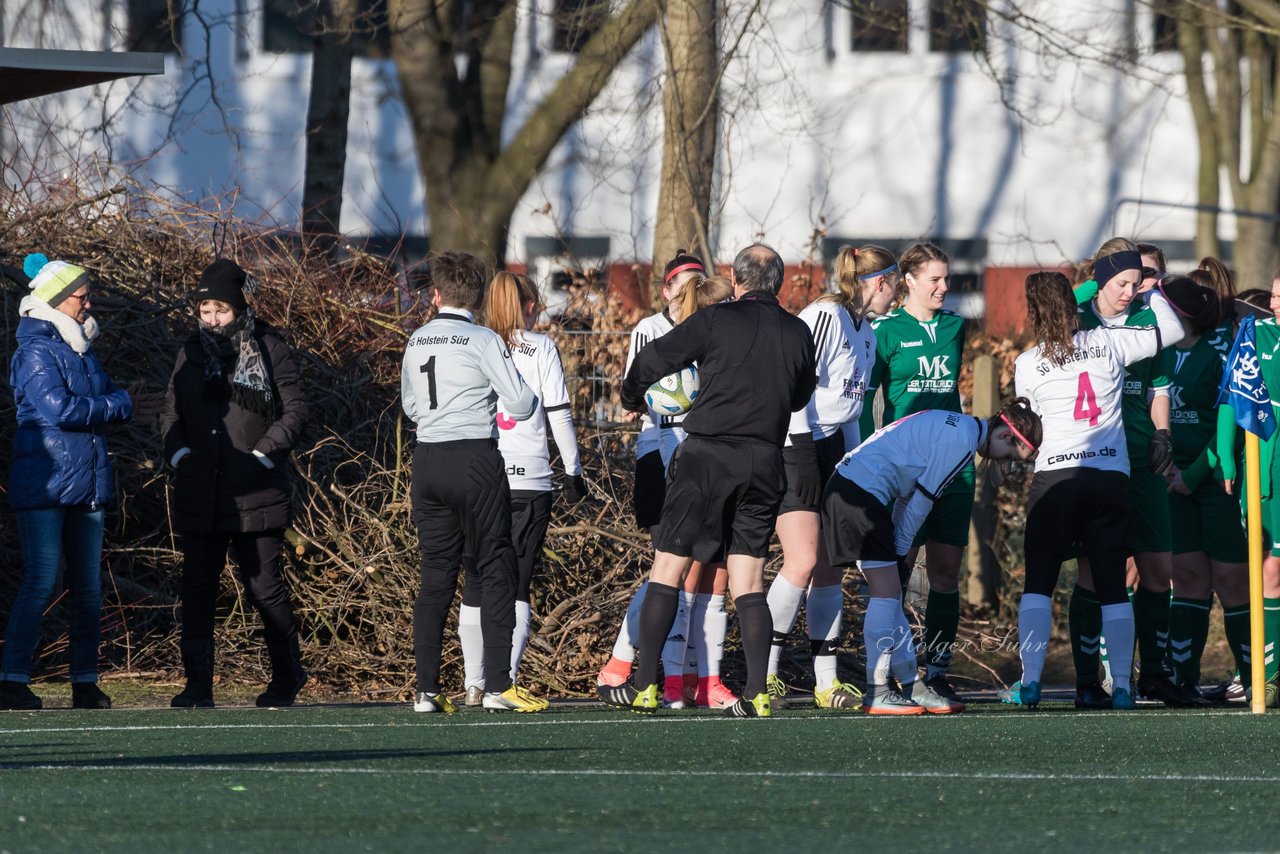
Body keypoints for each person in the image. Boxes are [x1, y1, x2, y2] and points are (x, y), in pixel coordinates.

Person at [599, 243, 816, 717]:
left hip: (706, 457)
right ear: (777, 284)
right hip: (764, 461)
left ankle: (646, 686)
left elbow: (652, 359)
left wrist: (633, 395)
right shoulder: (800, 332)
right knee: (749, 580)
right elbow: (800, 397)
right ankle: (757, 693)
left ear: (736, 281)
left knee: (668, 569)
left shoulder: (716, 319)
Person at [1005, 263, 1190, 710]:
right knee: (1111, 584)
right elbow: (1170, 331)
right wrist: (1155, 291)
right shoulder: (1107, 342)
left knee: (1039, 584)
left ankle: (1029, 683)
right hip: (1109, 478)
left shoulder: (1027, 363)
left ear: (1034, 314)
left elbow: (1029, 437)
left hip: (1057, 478)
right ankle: (1123, 687)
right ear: (1075, 306)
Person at [400, 251, 547, 714]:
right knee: (497, 565)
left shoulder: (417, 339)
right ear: (480, 297)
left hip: (427, 462)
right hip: (474, 460)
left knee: (436, 574)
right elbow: (522, 403)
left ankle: (426, 691)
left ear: (437, 295)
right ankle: (500, 685)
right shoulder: (483, 338)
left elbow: (409, 406)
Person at [824, 401, 1041, 713]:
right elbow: (920, 505)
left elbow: (908, 497)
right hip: (857, 496)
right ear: (1006, 435)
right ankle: (877, 690)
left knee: (890, 590)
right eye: (1009, 455)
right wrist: (900, 552)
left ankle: (912, 685)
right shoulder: (962, 443)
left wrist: (898, 550)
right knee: (886, 594)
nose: (1004, 462)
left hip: (850, 489)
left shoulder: (960, 426)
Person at [161, 259, 309, 708]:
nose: (211, 319)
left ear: (238, 305)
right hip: (200, 491)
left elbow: (295, 410)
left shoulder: (269, 346)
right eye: (205, 310)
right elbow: (171, 413)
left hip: (255, 491)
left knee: (265, 589)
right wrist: (180, 454)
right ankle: (197, 686)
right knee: (198, 590)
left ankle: (287, 677)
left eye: (219, 310)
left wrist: (262, 455)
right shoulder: (190, 352)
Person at [597, 251, 737, 709]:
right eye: (683, 282)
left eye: (700, 280)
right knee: (671, 568)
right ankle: (627, 662)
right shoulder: (651, 330)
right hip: (660, 459)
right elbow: (635, 398)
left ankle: (690, 678)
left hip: (707, 459)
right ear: (667, 289)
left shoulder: (716, 330)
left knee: (698, 571)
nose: (691, 289)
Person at [1066, 238, 1197, 708]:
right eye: (1127, 279)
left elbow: (1158, 387)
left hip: (1140, 459)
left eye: (1141, 280)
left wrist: (1162, 436)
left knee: (1158, 570)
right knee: (1093, 573)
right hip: (1091, 459)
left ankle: (1155, 674)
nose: (1135, 288)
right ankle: (1088, 678)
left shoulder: (1148, 322)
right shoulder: (1075, 317)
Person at [765, 244, 896, 711]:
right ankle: (764, 675)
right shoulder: (825, 315)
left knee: (830, 566)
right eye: (894, 282)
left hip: (835, 447)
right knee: (800, 561)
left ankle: (826, 681)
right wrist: (801, 445)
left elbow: (852, 408)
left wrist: (855, 459)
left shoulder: (869, 332)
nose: (896, 292)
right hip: (795, 442)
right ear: (879, 282)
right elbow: (789, 383)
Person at [0, 254, 133, 711]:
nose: (88, 302)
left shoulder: (81, 347)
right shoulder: (35, 351)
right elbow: (62, 410)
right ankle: (13, 678)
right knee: (41, 579)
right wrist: (117, 406)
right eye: (81, 295)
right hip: (46, 483)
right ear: (57, 300)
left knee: (89, 586)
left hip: (88, 481)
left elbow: (98, 399)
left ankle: (85, 680)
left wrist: (111, 403)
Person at [456, 271, 586, 705]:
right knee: (516, 584)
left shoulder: (474, 343)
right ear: (530, 306)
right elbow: (559, 412)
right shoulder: (542, 347)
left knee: (475, 579)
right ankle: (502, 684)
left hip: (480, 477)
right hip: (528, 479)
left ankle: (475, 683)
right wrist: (573, 469)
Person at [858, 242, 970, 707]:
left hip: (955, 469)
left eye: (947, 279)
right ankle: (896, 673)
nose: (945, 287)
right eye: (935, 280)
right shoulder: (884, 330)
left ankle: (938, 669)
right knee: (896, 571)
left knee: (945, 572)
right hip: (905, 469)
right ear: (908, 280)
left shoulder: (956, 327)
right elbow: (866, 403)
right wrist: (868, 456)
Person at [1159, 279, 1256, 702]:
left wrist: (1193, 475)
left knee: (1233, 579)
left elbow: (1229, 429)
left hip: (1215, 482)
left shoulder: (1218, 355)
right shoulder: (1156, 353)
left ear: (1180, 314)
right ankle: (1185, 681)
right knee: (1188, 577)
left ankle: (1256, 679)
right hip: (1169, 481)